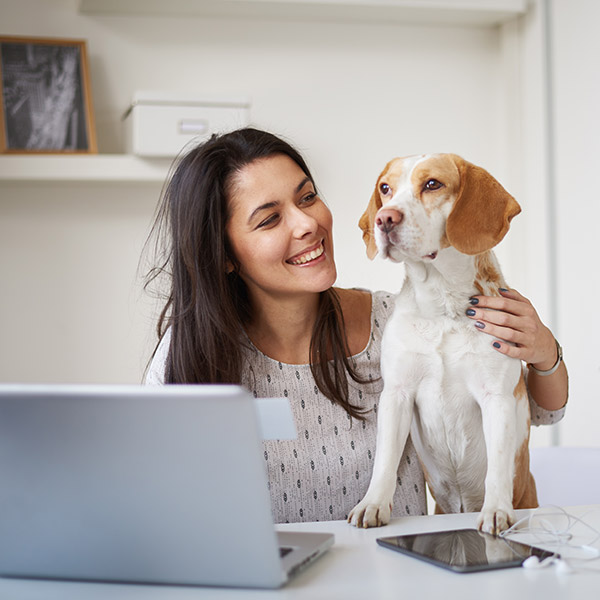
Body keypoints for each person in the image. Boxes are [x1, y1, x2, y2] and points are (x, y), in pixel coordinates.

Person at [144, 128, 568, 524]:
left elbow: (538, 413)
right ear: (224, 256)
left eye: (307, 198)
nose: (307, 223)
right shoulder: (190, 356)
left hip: (402, 573)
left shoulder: (398, 322)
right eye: (270, 219)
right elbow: (157, 502)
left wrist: (546, 353)